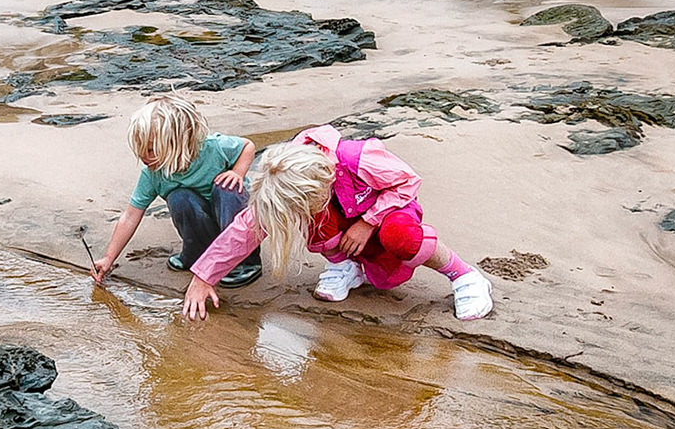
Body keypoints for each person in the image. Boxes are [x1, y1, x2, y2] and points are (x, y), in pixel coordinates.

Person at [181, 125, 492, 321]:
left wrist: (368, 222)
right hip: (346, 225)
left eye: (296, 208)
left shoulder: (358, 157)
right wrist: (204, 278)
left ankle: (463, 276)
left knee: (403, 237)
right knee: (319, 226)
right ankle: (345, 268)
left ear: (319, 186)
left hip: (389, 215)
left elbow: (408, 182)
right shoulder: (283, 181)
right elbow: (245, 229)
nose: (291, 217)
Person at [90, 96, 263, 290]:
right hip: (200, 222)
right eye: (140, 149)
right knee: (179, 198)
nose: (143, 156)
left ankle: (247, 261)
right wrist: (108, 258)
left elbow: (247, 146)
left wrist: (237, 173)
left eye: (150, 150)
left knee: (227, 189)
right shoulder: (154, 175)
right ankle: (197, 254)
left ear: (178, 142)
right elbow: (130, 216)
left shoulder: (213, 148)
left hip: (234, 219)